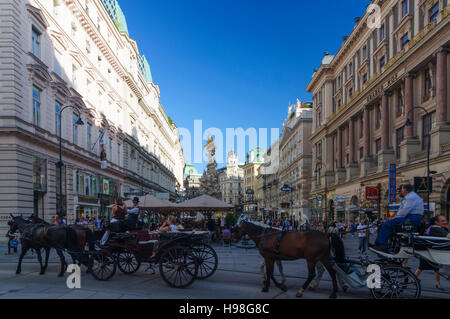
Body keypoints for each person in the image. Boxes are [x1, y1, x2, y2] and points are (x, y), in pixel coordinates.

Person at [373, 184, 424, 252]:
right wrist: (394, 217)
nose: (400, 192)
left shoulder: (411, 197)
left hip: (412, 218)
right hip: (410, 217)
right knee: (388, 224)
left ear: (404, 190)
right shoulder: (410, 197)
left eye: (401, 190)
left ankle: (381, 245)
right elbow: (401, 211)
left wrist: (393, 218)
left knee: (386, 224)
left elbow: (404, 211)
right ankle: (386, 244)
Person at [415, 216, 450, 291]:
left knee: (433, 268)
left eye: (445, 220)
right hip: (431, 251)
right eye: (443, 221)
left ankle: (438, 283)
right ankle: (413, 278)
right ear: (436, 222)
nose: (445, 222)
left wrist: (446, 228)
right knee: (422, 267)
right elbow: (448, 236)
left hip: (431, 250)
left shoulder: (435, 228)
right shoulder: (436, 228)